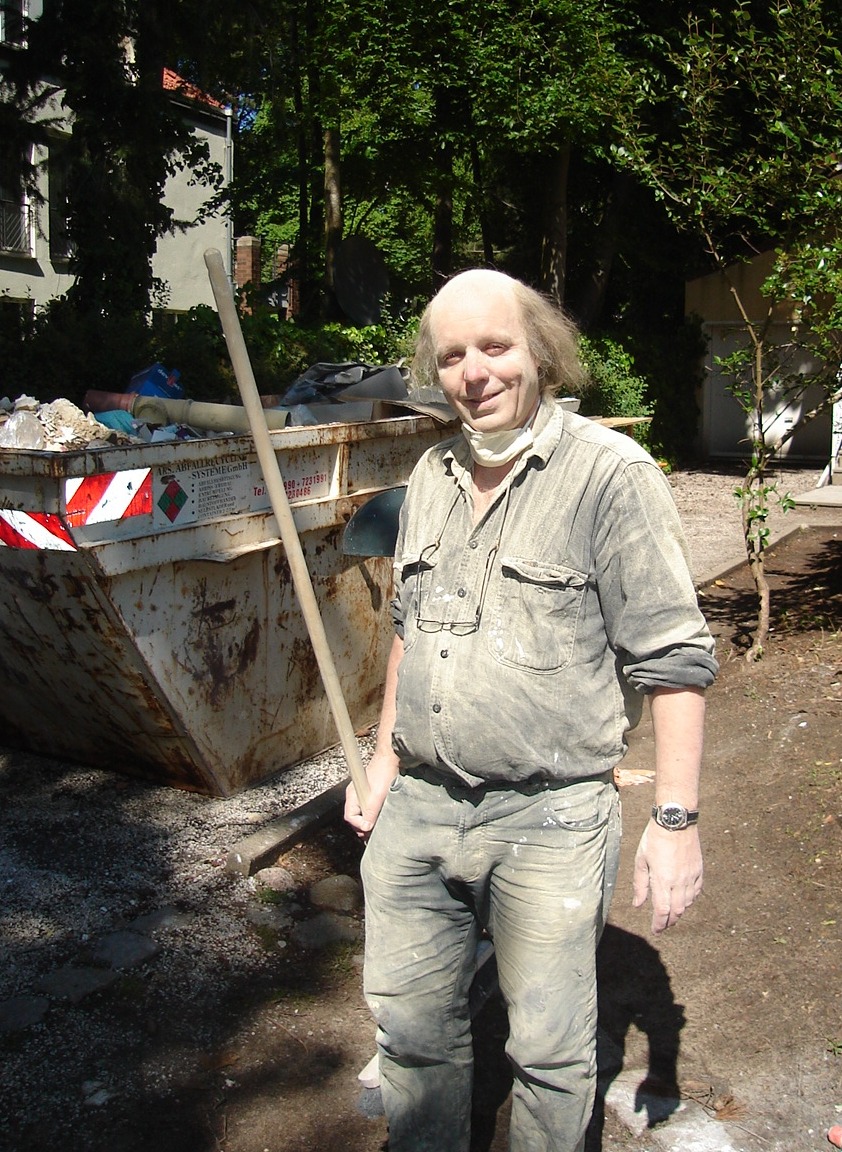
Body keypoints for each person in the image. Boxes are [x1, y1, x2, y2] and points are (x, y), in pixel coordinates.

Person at [345, 268, 718, 1152]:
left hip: (551, 818)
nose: (474, 372)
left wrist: (674, 821)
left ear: (540, 352)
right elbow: (409, 630)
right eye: (452, 356)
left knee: (549, 1054)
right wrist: (384, 759)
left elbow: (673, 660)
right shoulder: (431, 473)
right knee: (410, 1035)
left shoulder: (610, 476)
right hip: (421, 809)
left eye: (495, 346)